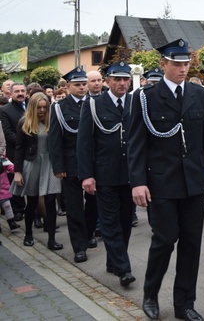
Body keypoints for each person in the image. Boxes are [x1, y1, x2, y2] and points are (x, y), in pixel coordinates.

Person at [128, 38, 204, 321]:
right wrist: (137, 181)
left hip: (194, 182)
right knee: (165, 239)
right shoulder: (145, 97)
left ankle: (184, 303)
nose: (182, 68)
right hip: (161, 183)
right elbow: (136, 143)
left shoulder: (199, 94)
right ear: (163, 64)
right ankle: (150, 294)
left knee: (192, 243)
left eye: (186, 63)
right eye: (176, 64)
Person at [77, 62, 136, 287]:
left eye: (125, 80)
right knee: (110, 222)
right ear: (107, 82)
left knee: (125, 221)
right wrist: (87, 175)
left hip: (130, 174)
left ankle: (114, 261)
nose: (122, 84)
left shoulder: (134, 103)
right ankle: (124, 269)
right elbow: (84, 144)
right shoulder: (93, 105)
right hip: (104, 174)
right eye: (117, 80)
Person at [48, 67, 97, 264]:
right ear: (68, 86)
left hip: (93, 163)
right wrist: (58, 166)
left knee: (94, 204)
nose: (82, 87)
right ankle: (79, 246)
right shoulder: (59, 108)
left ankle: (89, 231)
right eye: (77, 85)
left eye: (84, 84)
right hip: (70, 164)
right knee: (74, 207)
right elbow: (55, 139)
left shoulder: (94, 103)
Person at [11, 93, 62, 250]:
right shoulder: (24, 123)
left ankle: (52, 239)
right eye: (39, 107)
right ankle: (28, 234)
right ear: (32, 107)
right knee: (32, 202)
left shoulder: (53, 121)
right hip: (32, 163)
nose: (42, 110)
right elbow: (19, 148)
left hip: (50, 163)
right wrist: (17, 172)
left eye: (44, 107)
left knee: (50, 201)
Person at [1, 82, 27, 221]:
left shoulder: (32, 105)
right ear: (11, 94)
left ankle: (35, 213)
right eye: (17, 91)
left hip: (32, 151)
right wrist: (24, 142)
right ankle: (18, 209)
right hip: (15, 150)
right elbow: (7, 132)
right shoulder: (5, 110)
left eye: (23, 90)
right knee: (16, 180)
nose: (20, 93)